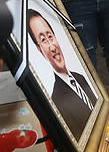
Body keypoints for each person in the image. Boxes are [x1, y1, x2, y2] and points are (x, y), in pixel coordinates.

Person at [27, 9, 96, 140]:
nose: (52, 47)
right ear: (39, 50)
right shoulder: (57, 100)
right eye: (43, 40)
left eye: (50, 36)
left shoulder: (79, 77)